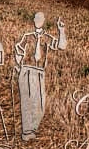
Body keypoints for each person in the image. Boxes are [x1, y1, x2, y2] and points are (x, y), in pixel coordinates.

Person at [14, 12, 67, 141]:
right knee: (27, 101)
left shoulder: (47, 38)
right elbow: (18, 50)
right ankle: (27, 132)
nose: (38, 20)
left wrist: (61, 30)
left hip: (39, 72)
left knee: (40, 104)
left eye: (40, 18)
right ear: (34, 20)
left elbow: (61, 46)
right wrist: (18, 66)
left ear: (43, 21)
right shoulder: (27, 37)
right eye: (36, 18)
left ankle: (33, 127)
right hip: (26, 70)